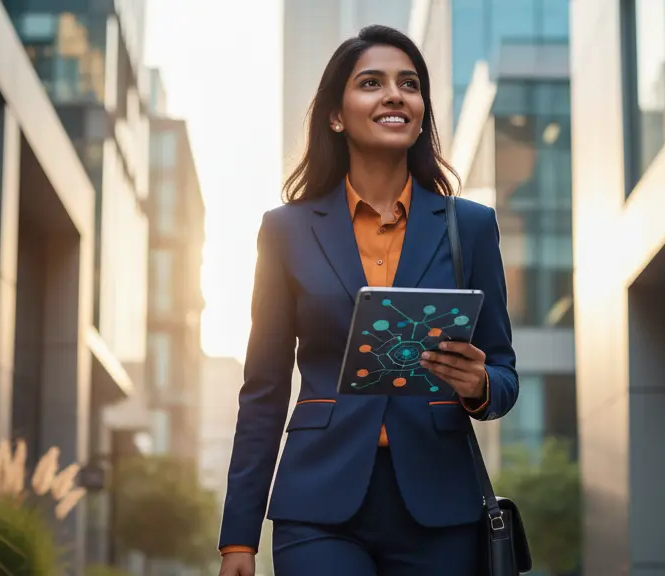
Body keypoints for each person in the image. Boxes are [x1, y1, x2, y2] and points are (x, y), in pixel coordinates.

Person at [218, 24, 519, 576]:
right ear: (336, 115)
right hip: (318, 504)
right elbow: (263, 391)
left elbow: (504, 374)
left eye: (409, 84)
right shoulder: (286, 231)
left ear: (421, 112)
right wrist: (239, 538)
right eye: (371, 83)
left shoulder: (470, 227)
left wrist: (479, 385)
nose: (394, 95)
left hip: (440, 506)